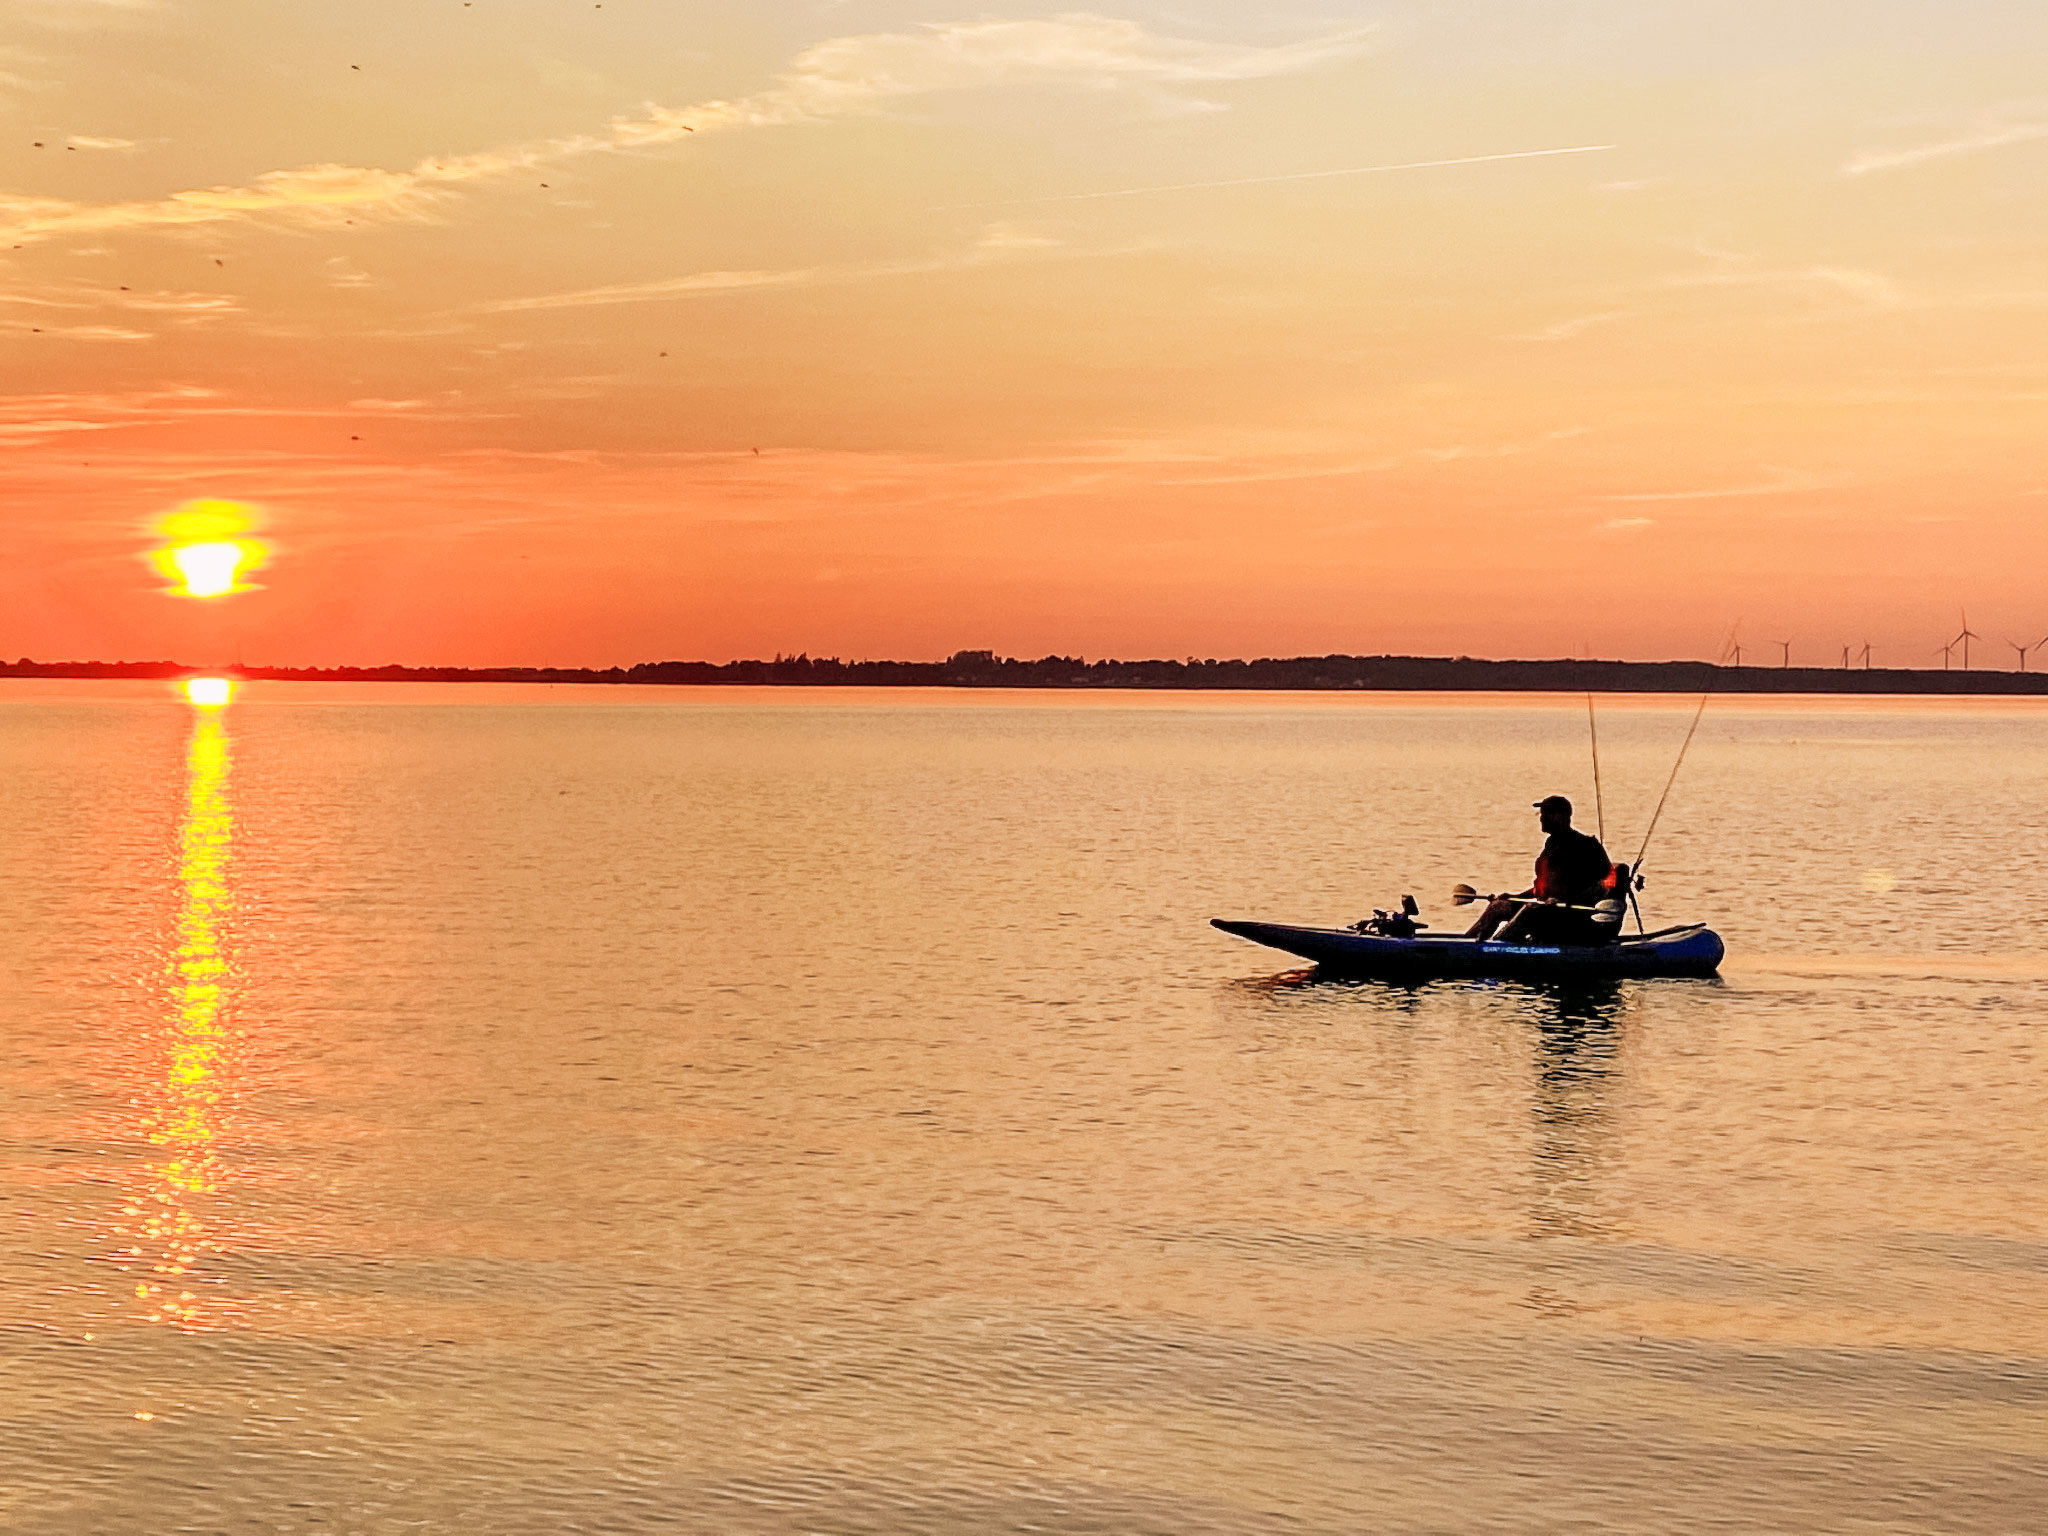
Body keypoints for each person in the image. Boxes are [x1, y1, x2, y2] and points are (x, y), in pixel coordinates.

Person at [1465, 795, 1616, 943]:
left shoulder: (1586, 845)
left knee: (1530, 912)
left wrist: (1566, 900)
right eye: (1542, 814)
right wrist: (1515, 895)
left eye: (1547, 814)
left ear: (1562, 816)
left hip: (1572, 916)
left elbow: (1604, 885)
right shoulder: (1551, 844)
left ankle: (1500, 947)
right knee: (1498, 907)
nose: (1541, 818)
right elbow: (1543, 889)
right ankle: (1466, 944)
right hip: (1546, 911)